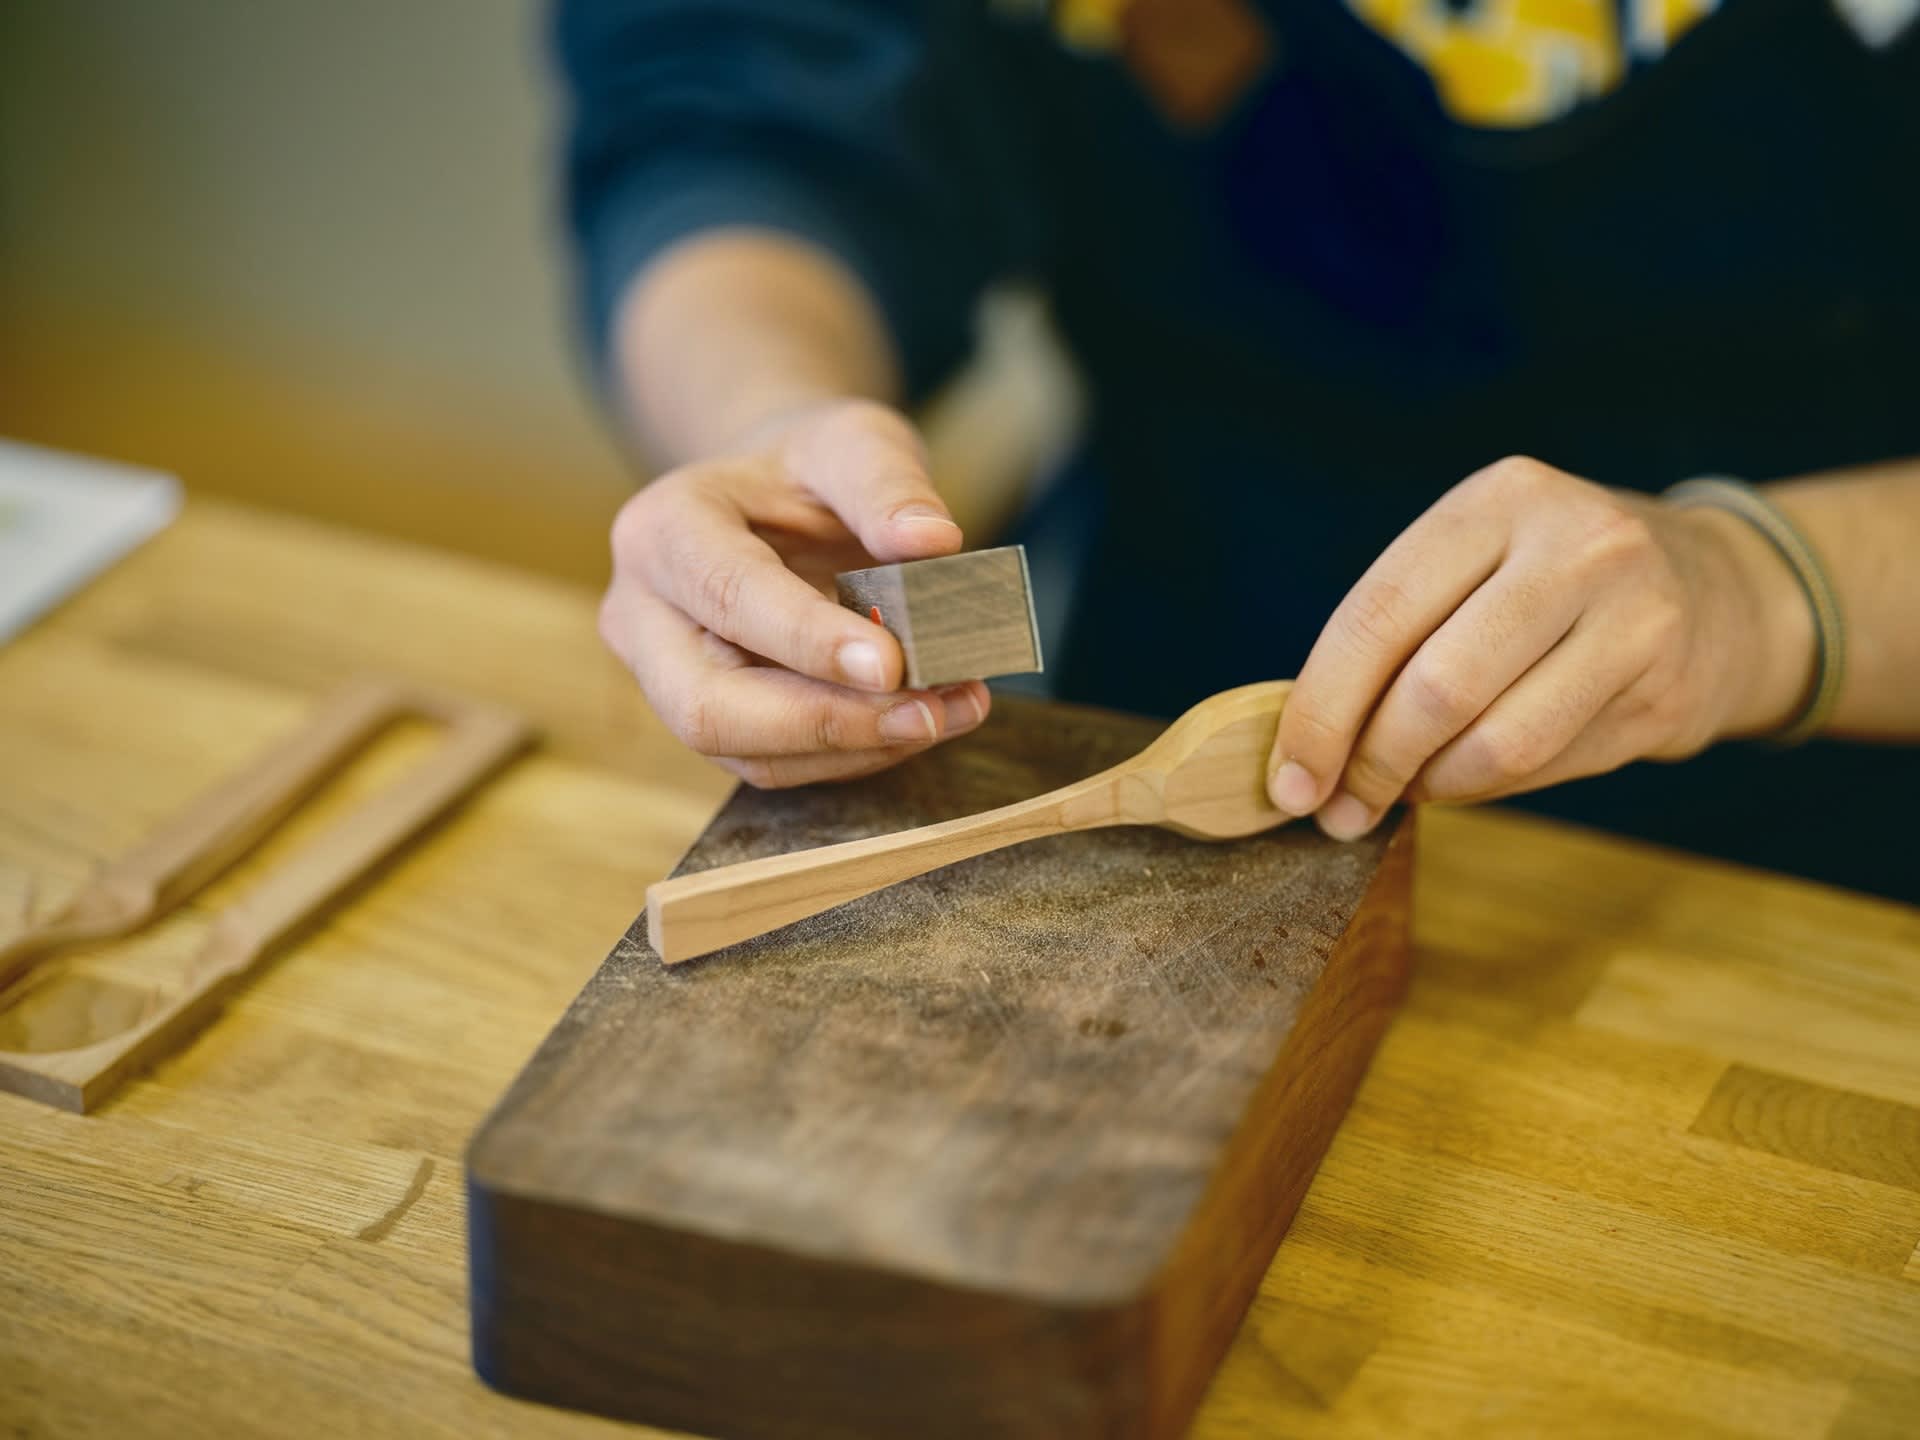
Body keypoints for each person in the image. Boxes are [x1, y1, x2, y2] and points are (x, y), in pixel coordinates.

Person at [557, 0, 1920, 901]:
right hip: (1165, 694)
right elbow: (733, 99)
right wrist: (768, 419)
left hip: (1831, 839)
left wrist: (1762, 584)